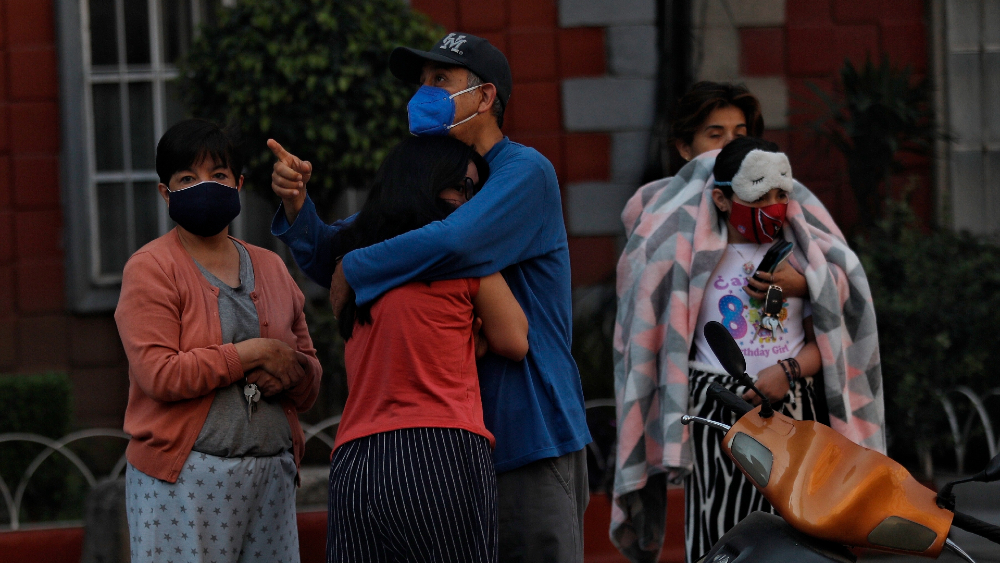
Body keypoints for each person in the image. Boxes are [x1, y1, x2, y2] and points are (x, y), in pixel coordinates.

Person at [269, 32, 592, 561]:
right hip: (455, 445)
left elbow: (453, 242)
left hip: (528, 433)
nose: (424, 92)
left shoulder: (523, 172)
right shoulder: (433, 189)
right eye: (421, 81)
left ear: (485, 96)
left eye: (440, 79)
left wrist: (358, 265)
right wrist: (298, 206)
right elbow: (339, 252)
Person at [612, 124, 886, 560]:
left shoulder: (805, 262)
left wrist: (788, 369)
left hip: (792, 408)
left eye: (781, 195)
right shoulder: (691, 262)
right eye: (758, 196)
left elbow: (830, 344)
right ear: (722, 199)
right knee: (719, 528)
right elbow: (655, 334)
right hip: (717, 407)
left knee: (796, 531)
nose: (773, 207)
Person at [115, 119, 323, 563]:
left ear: (239, 184)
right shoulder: (151, 268)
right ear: (165, 193)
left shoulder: (272, 267)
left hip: (271, 478)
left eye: (219, 174)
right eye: (187, 178)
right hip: (182, 483)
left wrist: (291, 372)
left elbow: (307, 374)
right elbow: (159, 374)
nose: (205, 186)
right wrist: (252, 353)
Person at [327, 136, 527, 562]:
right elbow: (515, 340)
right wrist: (476, 339)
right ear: (427, 183)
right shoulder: (463, 259)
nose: (471, 202)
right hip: (439, 450)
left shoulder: (356, 270)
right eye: (464, 187)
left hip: (354, 460)